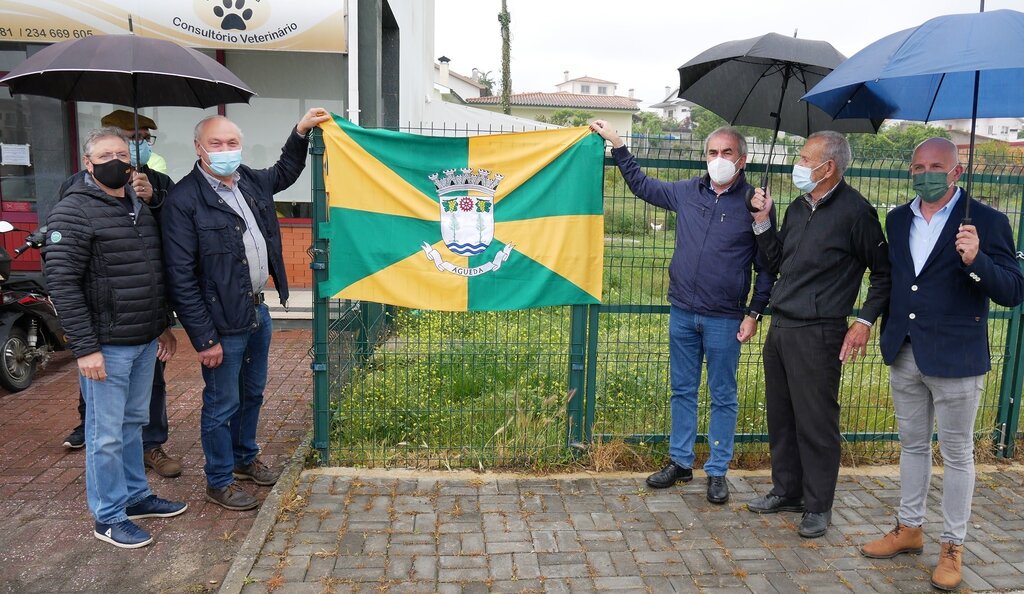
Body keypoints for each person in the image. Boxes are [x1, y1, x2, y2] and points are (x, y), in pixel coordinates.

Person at [859, 138, 1024, 591]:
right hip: (906, 349)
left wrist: (977, 260)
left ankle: (953, 546)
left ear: (955, 172)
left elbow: (1012, 291)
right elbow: (892, 278)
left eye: (935, 166)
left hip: (957, 356)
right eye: (918, 166)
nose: (924, 173)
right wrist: (867, 321)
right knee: (912, 446)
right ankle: (909, 528)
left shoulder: (986, 221)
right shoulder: (897, 219)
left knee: (956, 455)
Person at [590, 120, 775, 504]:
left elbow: (769, 264)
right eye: (712, 152)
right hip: (683, 312)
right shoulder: (687, 192)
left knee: (723, 394)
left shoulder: (755, 202)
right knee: (683, 390)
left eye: (727, 153)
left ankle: (718, 470)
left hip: (726, 317)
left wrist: (754, 312)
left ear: (742, 160)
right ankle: (680, 462)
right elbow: (643, 185)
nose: (718, 159)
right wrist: (619, 144)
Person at [162, 108, 330, 511]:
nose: (225, 150)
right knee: (222, 404)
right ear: (199, 148)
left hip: (257, 311)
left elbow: (285, 172)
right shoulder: (184, 200)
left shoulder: (249, 181)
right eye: (216, 144)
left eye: (232, 143)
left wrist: (301, 130)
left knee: (251, 394)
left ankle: (243, 458)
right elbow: (180, 278)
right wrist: (204, 338)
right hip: (220, 324)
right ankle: (218, 480)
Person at [44, 128, 186, 548]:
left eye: (121, 153)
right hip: (105, 346)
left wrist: (163, 324)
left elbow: (151, 272)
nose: (115, 160)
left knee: (132, 424)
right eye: (105, 154)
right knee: (104, 434)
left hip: (143, 341)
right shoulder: (74, 210)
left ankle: (136, 496)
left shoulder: (137, 205)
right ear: (88, 163)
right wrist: (84, 349)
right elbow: (62, 282)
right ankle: (107, 516)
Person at [745, 131, 891, 538]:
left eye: (806, 157)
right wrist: (762, 222)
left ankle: (818, 505)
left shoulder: (857, 212)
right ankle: (787, 490)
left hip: (820, 330)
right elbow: (776, 261)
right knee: (783, 416)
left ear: (828, 167)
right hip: (782, 326)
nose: (799, 163)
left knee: (816, 421)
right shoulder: (795, 207)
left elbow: (883, 274)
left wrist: (863, 322)